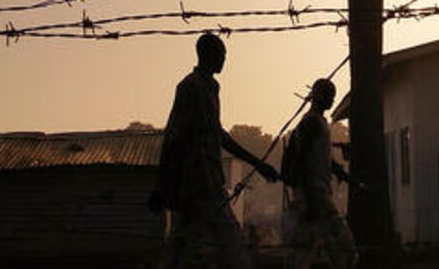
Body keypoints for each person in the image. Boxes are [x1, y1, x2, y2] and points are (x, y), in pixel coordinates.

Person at [148, 32, 280, 268]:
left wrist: (257, 163)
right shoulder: (190, 87)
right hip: (196, 183)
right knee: (230, 245)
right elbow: (174, 139)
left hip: (206, 182)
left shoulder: (210, 88)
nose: (224, 59)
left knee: (183, 246)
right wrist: (162, 186)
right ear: (206, 55)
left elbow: (218, 134)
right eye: (221, 54)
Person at [283, 79, 357, 269]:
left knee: (306, 252)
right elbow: (304, 161)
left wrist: (341, 173)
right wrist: (312, 199)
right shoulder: (312, 124)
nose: (331, 100)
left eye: (333, 96)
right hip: (314, 195)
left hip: (315, 194)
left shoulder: (316, 123)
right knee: (344, 250)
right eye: (328, 95)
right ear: (317, 95)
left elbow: (318, 157)